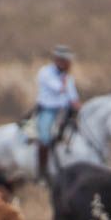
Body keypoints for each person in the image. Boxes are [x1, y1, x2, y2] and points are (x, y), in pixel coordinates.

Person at [34, 44, 81, 180]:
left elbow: (73, 97)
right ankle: (42, 172)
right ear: (58, 60)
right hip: (48, 110)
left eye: (69, 61)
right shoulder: (45, 72)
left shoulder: (67, 77)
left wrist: (79, 108)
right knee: (44, 139)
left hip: (65, 111)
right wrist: (66, 78)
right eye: (66, 61)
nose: (69, 64)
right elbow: (59, 89)